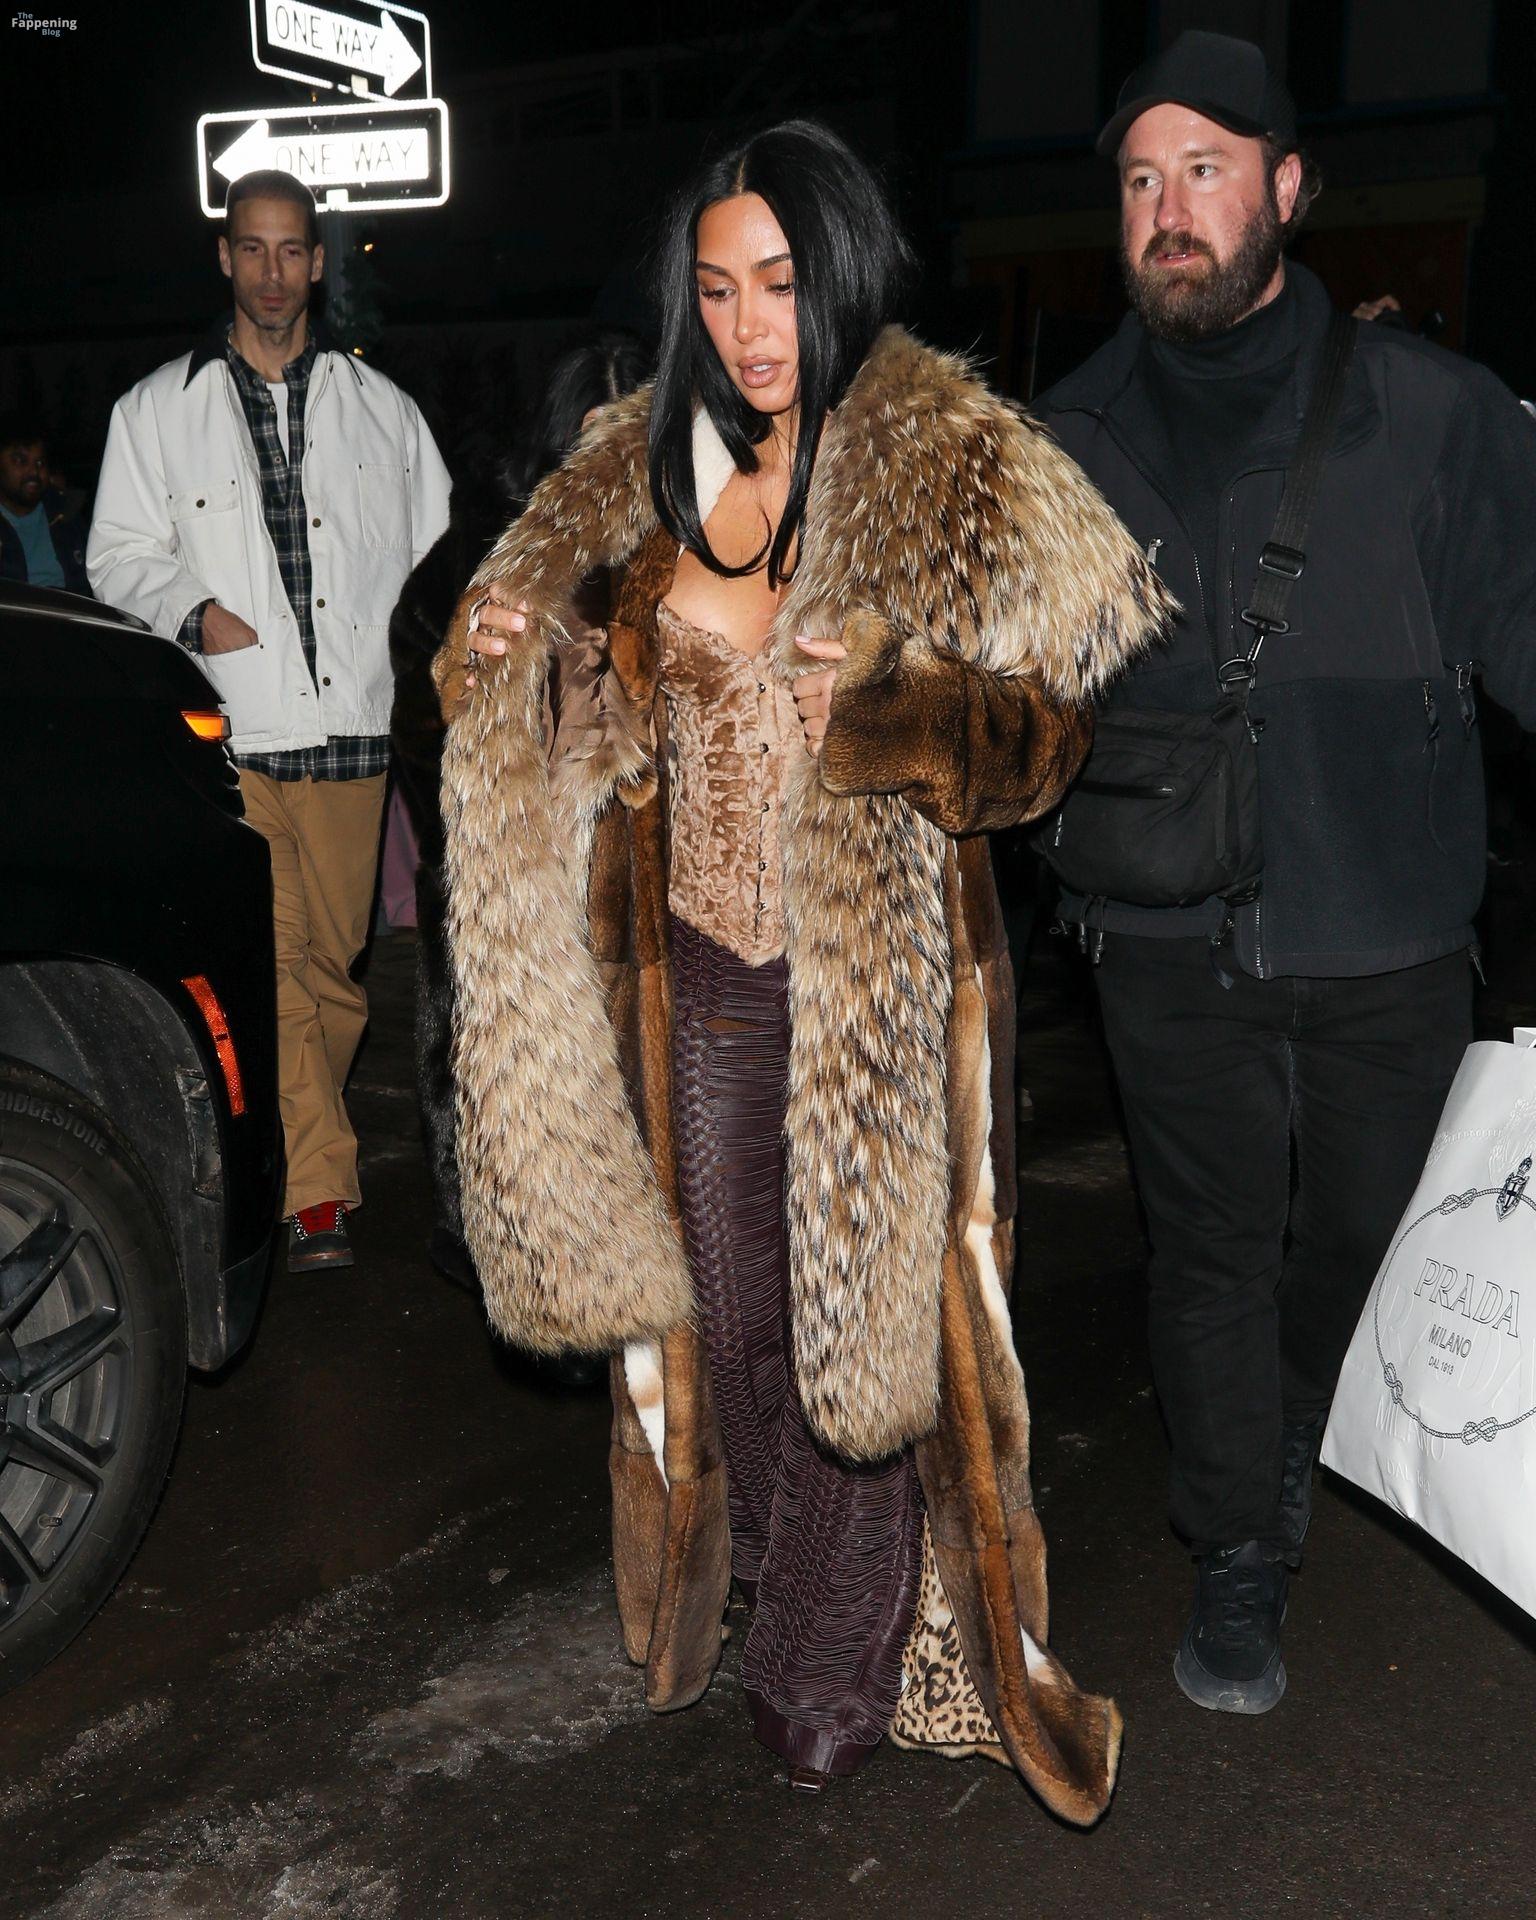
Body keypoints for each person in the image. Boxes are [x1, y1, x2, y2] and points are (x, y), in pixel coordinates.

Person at [433, 119, 1168, 1815]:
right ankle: (782, 1561)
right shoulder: (632, 470)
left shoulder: (950, 464)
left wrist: (902, 701)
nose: (751, 325)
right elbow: (558, 712)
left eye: (777, 282)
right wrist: (505, 657)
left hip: (871, 1004)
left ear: (836, 269)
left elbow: (1050, 739)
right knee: (730, 1318)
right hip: (693, 980)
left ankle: (832, 1655)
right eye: (717, 291)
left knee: (856, 1326)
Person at [1034, 30, 1536, 1715]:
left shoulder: (1435, 414)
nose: (1168, 208)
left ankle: (1309, 1427)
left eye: (1206, 170)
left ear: (1289, 189)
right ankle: (1237, 1540)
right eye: (1141, 179)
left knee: (1368, 1241)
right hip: (1167, 925)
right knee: (1208, 1252)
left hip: (1387, 919)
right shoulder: (1066, 438)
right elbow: (989, 682)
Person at [88, 169, 451, 1274]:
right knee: (282, 961)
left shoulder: (381, 409)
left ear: (318, 263)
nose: (272, 272)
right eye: (252, 248)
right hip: (236, 735)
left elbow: (436, 557)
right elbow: (116, 554)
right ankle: (317, 1193)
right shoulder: (157, 410)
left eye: (292, 250)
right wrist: (191, 611)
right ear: (224, 257)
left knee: (336, 967)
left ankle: (290, 1141)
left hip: (354, 731)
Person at [389, 330, 652, 1309]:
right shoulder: (498, 549)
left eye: (633, 431)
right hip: (529, 905)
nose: (610, 455)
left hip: (658, 908)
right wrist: (465, 675)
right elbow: (416, 690)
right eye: (593, 430)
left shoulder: (705, 548)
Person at [0, 413, 90, 595]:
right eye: (20, 461)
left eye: (40, 462)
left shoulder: (67, 515)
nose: (34, 471)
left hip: (69, 610)